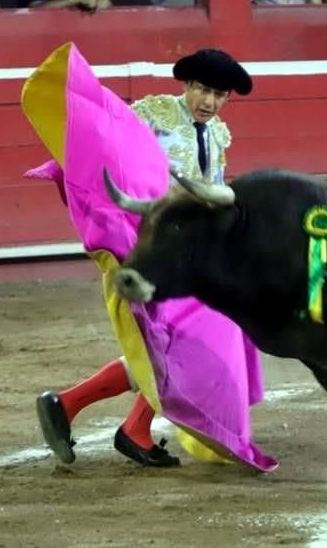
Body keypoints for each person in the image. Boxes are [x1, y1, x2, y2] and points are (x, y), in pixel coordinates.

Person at [23, 44, 275, 472]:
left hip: (191, 257)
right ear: (186, 86)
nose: (209, 102)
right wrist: (64, 168)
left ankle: (77, 407)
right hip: (148, 251)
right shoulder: (153, 115)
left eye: (219, 94)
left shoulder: (217, 134)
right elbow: (101, 143)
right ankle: (112, 419)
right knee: (187, 341)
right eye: (201, 90)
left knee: (181, 342)